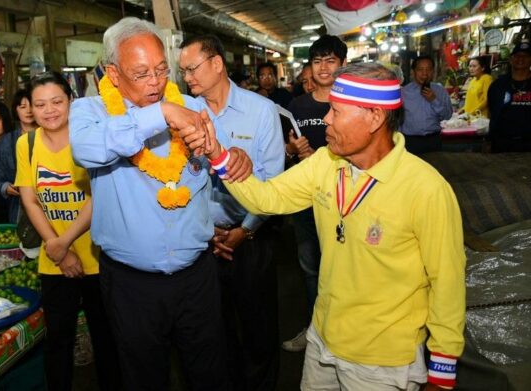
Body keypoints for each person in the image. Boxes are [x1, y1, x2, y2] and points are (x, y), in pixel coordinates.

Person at [192, 62, 466, 390]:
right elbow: (267, 198)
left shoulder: (425, 189)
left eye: (336, 111)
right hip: (323, 337)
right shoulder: (326, 162)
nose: (326, 120)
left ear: (375, 117)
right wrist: (219, 156)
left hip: (381, 359)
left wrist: (443, 370)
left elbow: (447, 281)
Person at [69, 17, 251, 391]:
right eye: (142, 73)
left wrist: (233, 161)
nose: (155, 82)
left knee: (210, 374)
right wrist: (162, 114)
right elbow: (88, 149)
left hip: (197, 277)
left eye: (161, 70)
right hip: (131, 285)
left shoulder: (191, 107)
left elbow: (214, 183)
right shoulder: (91, 113)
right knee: (143, 378)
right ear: (113, 74)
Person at [179, 35, 284, 390]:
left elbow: (274, 180)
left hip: (252, 237)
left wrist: (246, 230)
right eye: (183, 72)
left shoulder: (261, 111)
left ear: (217, 64)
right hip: (204, 241)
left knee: (259, 327)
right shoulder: (185, 115)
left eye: (191, 69)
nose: (188, 78)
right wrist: (205, 231)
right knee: (214, 331)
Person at [15, 72, 121, 391]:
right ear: (31, 109)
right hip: (54, 261)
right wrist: (56, 247)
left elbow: (99, 195)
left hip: (96, 257)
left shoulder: (88, 137)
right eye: (40, 104)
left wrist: (64, 242)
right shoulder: (27, 143)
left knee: (107, 340)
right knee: (58, 341)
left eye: (57, 101)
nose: (49, 110)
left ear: (70, 101)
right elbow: (29, 198)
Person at [282, 34, 346, 353]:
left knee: (347, 267)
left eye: (330, 60)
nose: (323, 67)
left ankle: (344, 332)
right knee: (311, 267)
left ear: (342, 64)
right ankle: (314, 330)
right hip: (307, 199)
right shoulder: (298, 105)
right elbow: (286, 149)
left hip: (346, 199)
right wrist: (292, 149)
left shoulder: (350, 103)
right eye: (317, 61)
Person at [0, 90, 37, 224]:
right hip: (20, 203)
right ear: (15, 110)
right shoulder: (7, 140)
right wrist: (6, 187)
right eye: (22, 107)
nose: (28, 110)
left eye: (32, 105)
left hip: (50, 199)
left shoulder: (48, 134)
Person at [401, 55, 453, 154]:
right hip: (410, 141)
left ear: (433, 71)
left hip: (433, 140)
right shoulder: (403, 92)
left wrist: (434, 100)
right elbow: (397, 120)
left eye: (428, 69)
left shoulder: (440, 90)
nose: (424, 73)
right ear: (413, 71)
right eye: (420, 69)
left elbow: (447, 115)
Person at [487, 41, 531, 152]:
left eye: (525, 56)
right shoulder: (498, 85)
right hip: (502, 144)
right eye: (517, 56)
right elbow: (492, 112)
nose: (521, 59)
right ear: (511, 59)